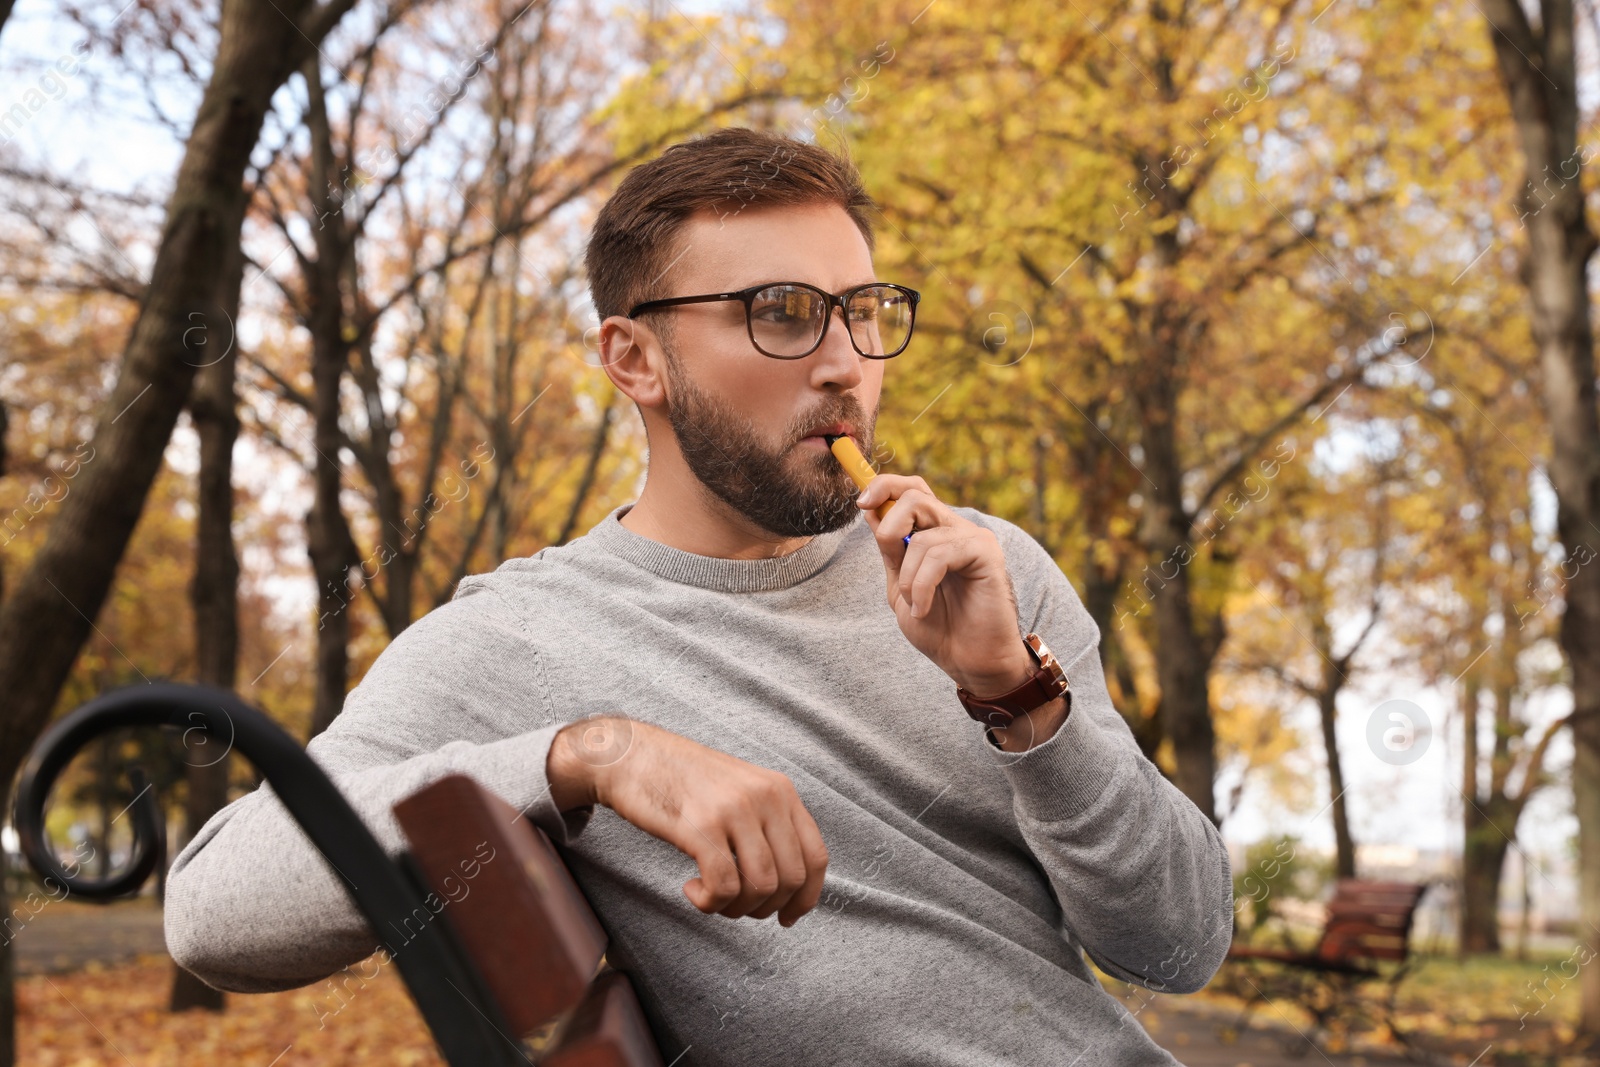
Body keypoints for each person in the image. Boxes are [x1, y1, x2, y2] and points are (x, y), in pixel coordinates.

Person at [165, 126, 1232, 1065]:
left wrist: (1016, 697)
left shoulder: (985, 572)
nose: (845, 364)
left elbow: (1179, 944)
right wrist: (591, 754)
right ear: (636, 359)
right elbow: (211, 909)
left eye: (863, 311)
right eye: (780, 313)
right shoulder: (521, 637)